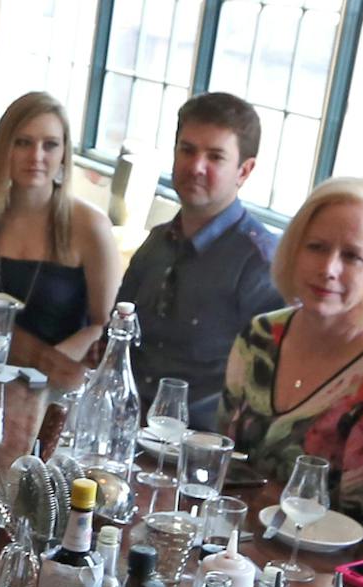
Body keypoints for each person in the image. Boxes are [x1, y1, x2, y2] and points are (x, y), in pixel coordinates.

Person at [221, 176, 363, 510]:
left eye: (352, 256)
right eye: (316, 247)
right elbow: (221, 459)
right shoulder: (259, 336)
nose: (328, 268)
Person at [113, 92, 285, 431]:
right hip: (124, 423)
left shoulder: (260, 264)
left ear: (244, 171)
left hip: (198, 443)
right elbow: (116, 332)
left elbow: (266, 390)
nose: (196, 167)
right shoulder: (157, 242)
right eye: (187, 150)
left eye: (215, 157)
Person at [0, 91, 120, 355]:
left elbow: (103, 325)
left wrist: (47, 367)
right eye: (23, 143)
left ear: (64, 153)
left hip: (60, 369)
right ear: (4, 149)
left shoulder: (91, 225)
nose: (36, 156)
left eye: (50, 145)